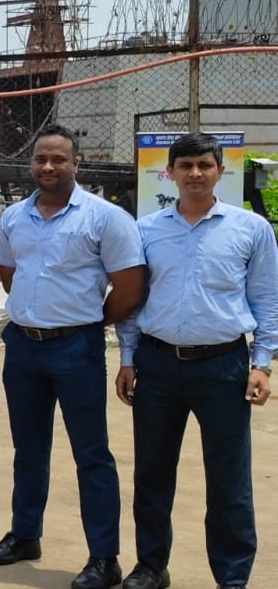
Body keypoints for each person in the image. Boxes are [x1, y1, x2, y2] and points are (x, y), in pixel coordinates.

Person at [0, 124, 144, 589]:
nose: (49, 167)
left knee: (91, 454)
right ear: (31, 164)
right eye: (41, 159)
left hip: (77, 347)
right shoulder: (15, 216)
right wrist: (36, 316)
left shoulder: (104, 218)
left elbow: (130, 288)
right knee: (27, 449)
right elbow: (7, 270)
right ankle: (24, 535)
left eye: (59, 159)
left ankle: (104, 558)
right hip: (22, 347)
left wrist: (86, 322)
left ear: (78, 163)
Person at [114, 132, 273, 589]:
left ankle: (232, 576)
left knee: (229, 480)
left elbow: (266, 299)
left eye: (205, 165)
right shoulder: (146, 230)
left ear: (221, 171)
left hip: (223, 368)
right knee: (152, 473)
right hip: (157, 365)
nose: (196, 174)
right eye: (185, 166)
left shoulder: (250, 229)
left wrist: (261, 362)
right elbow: (131, 302)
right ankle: (150, 566)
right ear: (170, 173)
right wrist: (128, 358)